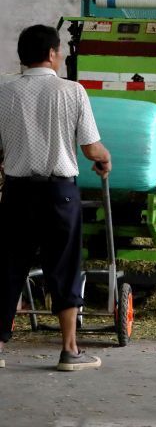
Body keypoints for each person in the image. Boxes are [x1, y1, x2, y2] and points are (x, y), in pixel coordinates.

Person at [0, 25, 112, 372]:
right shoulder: (72, 91)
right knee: (64, 267)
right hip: (59, 193)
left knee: (8, 268)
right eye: (59, 50)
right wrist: (105, 159)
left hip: (16, 192)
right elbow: (91, 148)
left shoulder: (4, 91)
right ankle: (69, 350)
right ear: (51, 53)